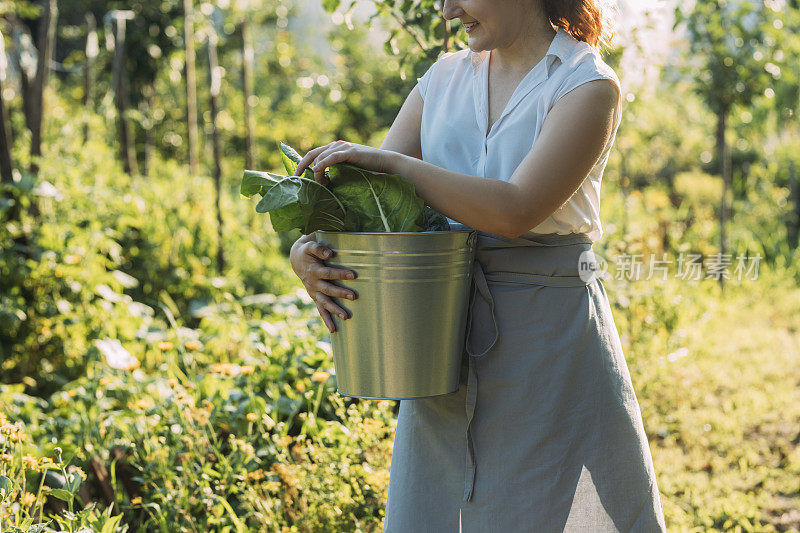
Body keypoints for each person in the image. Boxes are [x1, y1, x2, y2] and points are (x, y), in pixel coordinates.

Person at [289, 0, 667, 530]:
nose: (446, 10)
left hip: (548, 347)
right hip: (441, 339)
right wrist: (307, 253)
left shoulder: (586, 85)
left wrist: (397, 165)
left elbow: (516, 209)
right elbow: (372, 215)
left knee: (542, 506)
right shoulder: (441, 80)